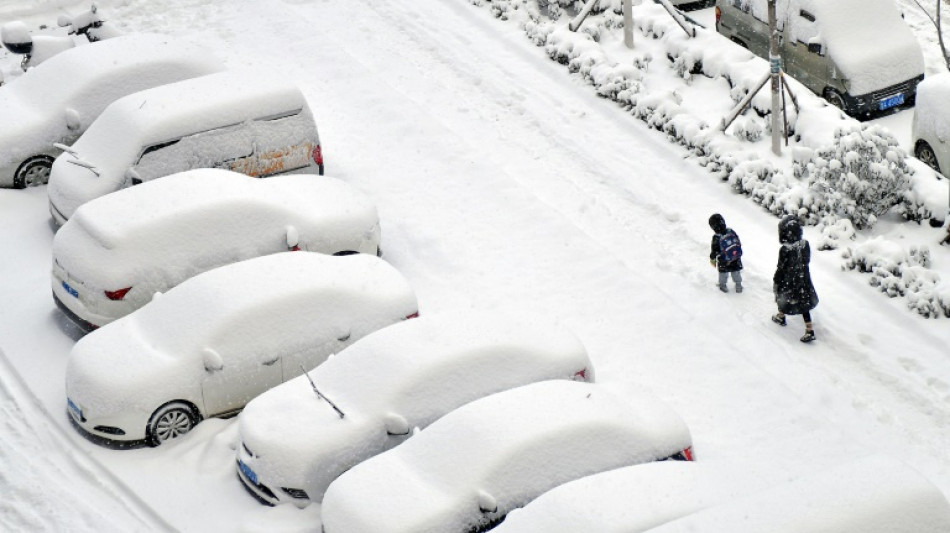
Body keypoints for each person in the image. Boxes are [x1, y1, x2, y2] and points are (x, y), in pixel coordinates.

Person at [771, 215, 818, 343]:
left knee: (782, 296)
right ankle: (809, 329)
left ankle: (781, 316)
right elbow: (806, 260)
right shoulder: (805, 244)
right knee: (804, 302)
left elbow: (781, 267)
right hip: (803, 278)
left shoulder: (785, 249)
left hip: (789, 280)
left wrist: (776, 280)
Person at [708, 213, 743, 293]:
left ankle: (723, 286)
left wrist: (712, 257)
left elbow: (714, 250)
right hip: (735, 257)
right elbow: (738, 241)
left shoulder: (716, 237)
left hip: (724, 260)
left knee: (723, 273)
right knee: (736, 271)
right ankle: (739, 285)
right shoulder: (731, 231)